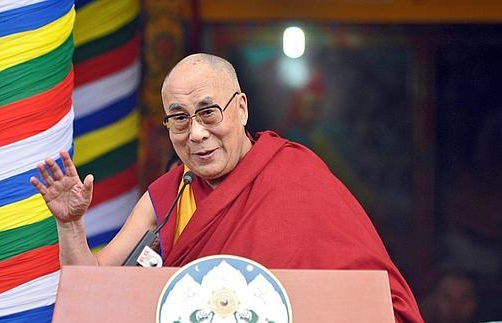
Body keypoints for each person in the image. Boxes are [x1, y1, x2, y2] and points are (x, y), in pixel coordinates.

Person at [30, 53, 423, 322]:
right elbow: (90, 288)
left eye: (208, 112)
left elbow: (374, 299)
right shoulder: (168, 194)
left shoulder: (296, 174)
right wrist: (70, 225)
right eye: (179, 119)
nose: (196, 134)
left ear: (241, 108)